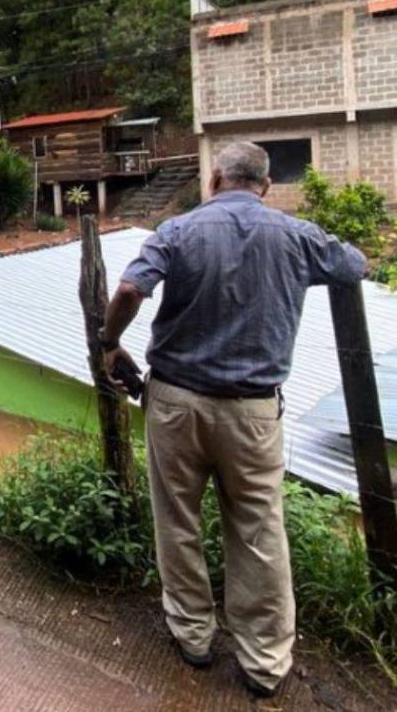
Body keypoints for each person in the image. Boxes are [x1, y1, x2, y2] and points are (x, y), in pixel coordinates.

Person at [99, 142, 366, 698]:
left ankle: (193, 636)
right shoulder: (297, 235)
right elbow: (354, 265)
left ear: (215, 178)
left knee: (177, 520)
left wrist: (110, 342)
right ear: (265, 187)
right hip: (252, 411)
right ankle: (266, 663)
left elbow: (129, 288)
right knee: (259, 529)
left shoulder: (177, 230)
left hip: (175, 404)